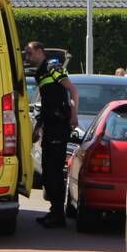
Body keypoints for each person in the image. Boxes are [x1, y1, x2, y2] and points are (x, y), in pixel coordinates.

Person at [24, 41, 79, 228]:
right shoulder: (40, 72)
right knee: (47, 171)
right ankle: (54, 211)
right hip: (50, 126)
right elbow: (46, 103)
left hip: (58, 126)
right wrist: (38, 128)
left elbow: (73, 90)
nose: (28, 57)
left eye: (30, 53)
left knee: (54, 171)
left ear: (40, 52)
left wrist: (73, 116)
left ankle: (58, 215)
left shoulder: (52, 67)